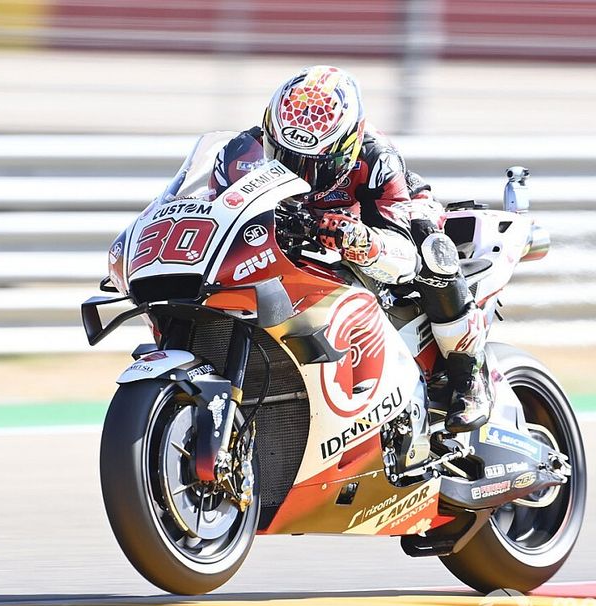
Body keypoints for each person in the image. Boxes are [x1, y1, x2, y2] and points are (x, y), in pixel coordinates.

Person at [209, 65, 489, 433]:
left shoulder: (376, 159)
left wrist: (362, 241)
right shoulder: (240, 154)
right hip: (290, 237)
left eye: (315, 165)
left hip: (379, 221)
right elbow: (213, 215)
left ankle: (469, 378)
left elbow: (403, 254)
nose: (301, 177)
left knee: (431, 247)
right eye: (287, 159)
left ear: (347, 145)